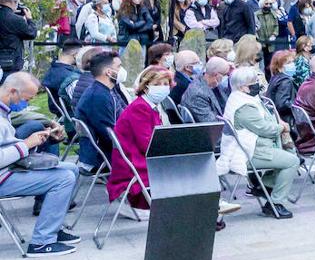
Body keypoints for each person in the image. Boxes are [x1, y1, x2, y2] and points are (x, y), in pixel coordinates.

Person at [0, 72, 80, 257]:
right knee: (63, 178)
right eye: (27, 98)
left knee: (71, 169)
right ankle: (41, 242)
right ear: (13, 91)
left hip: (9, 169)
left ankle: (52, 227)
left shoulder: (5, 111)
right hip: (4, 176)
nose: (27, 103)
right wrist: (26, 144)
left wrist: (45, 139)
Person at [221, 66, 298, 219]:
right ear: (243, 87)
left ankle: (264, 186)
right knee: (292, 161)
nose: (258, 84)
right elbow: (265, 129)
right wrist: (282, 127)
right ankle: (275, 203)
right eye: (254, 82)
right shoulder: (244, 107)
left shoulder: (242, 98)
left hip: (254, 147)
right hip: (249, 153)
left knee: (288, 154)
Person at [107, 67, 173, 216]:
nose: (163, 87)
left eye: (166, 83)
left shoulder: (150, 106)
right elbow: (147, 145)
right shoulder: (140, 108)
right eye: (158, 83)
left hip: (138, 157)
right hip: (134, 163)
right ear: (146, 85)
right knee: (183, 168)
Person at [74, 51, 127, 171]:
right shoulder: (98, 96)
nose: (122, 70)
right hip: (103, 156)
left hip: (107, 149)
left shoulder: (104, 90)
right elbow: (110, 136)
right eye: (119, 66)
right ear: (108, 72)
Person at [183, 57, 231, 124]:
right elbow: (212, 124)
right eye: (226, 74)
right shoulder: (198, 94)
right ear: (217, 75)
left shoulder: (209, 82)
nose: (227, 77)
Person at [42, 40, 83, 118]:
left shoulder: (53, 69)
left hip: (62, 112)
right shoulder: (68, 77)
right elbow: (81, 103)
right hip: (73, 115)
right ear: (75, 55)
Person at [254, 0, 289, 68]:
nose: (268, 5)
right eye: (266, 4)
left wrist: (274, 35)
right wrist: (257, 38)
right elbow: (255, 27)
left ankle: (269, 77)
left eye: (270, 4)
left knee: (269, 62)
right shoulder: (257, 14)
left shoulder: (273, 14)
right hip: (260, 41)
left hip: (270, 42)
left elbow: (276, 26)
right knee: (260, 61)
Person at [265, 50, 298, 126]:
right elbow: (282, 104)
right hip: (287, 121)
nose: (292, 65)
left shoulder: (274, 78)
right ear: (279, 67)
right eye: (288, 63)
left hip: (276, 118)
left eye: (292, 62)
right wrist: (299, 104)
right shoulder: (285, 81)